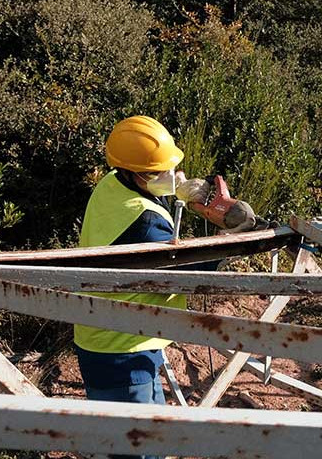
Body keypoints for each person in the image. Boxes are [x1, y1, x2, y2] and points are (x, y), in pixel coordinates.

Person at [72, 116, 191, 459]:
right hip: (121, 348)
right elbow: (192, 270)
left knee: (150, 431)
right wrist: (233, 236)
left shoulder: (112, 183)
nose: (167, 177)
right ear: (134, 173)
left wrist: (183, 191)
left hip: (118, 334)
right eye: (157, 173)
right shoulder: (143, 221)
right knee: (137, 448)